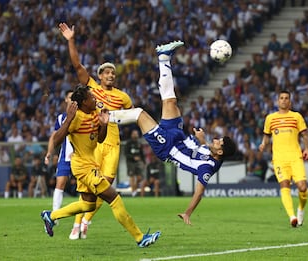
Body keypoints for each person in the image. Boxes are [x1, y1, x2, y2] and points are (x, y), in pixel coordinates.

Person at [108, 41, 237, 225]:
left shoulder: (207, 168)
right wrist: (204, 141)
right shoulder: (213, 151)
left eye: (219, 142)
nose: (216, 140)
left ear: (220, 152)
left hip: (167, 147)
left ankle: (103, 117)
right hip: (179, 137)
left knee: (139, 114)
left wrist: (188, 213)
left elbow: (199, 192)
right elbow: (206, 149)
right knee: (171, 102)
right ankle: (164, 57)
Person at [40, 85, 160, 248]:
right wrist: (68, 120)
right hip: (84, 168)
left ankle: (51, 216)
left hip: (89, 164)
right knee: (114, 198)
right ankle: (140, 238)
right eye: (91, 97)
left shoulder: (95, 114)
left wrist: (103, 125)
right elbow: (56, 140)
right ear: (84, 102)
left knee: (88, 204)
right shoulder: (76, 118)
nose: (95, 99)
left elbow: (100, 140)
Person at [58, 22, 133, 240]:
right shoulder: (91, 88)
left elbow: (131, 114)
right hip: (93, 145)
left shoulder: (123, 97)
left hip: (112, 143)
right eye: (107, 72)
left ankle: (86, 222)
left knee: (106, 187)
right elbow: (77, 64)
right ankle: (76, 223)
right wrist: (71, 40)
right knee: (90, 190)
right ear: (100, 75)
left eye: (113, 73)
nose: (111, 75)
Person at [259, 90, 308, 227]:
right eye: (281, 98)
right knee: (284, 184)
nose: (283, 100)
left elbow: (305, 134)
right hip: (279, 159)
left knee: (302, 187)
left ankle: (301, 209)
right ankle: (292, 216)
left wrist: (307, 148)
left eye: (286, 98)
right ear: (277, 101)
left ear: (290, 101)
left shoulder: (296, 116)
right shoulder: (270, 118)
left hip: (295, 156)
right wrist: (263, 144)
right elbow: (266, 135)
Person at [45, 90, 76, 211]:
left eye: (74, 97)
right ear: (66, 99)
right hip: (65, 156)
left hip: (80, 156)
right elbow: (53, 137)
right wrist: (49, 152)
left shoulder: (82, 115)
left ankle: (85, 217)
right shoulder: (60, 118)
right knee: (60, 184)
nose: (72, 99)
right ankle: (55, 214)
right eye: (70, 97)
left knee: (86, 186)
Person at [125, 129, 146, 197]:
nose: (135, 135)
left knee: (140, 177)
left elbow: (142, 153)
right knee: (132, 176)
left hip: (138, 162)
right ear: (131, 135)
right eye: (134, 134)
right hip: (130, 162)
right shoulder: (128, 143)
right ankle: (133, 191)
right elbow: (126, 153)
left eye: (136, 134)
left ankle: (135, 187)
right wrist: (133, 157)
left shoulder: (139, 143)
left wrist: (144, 162)